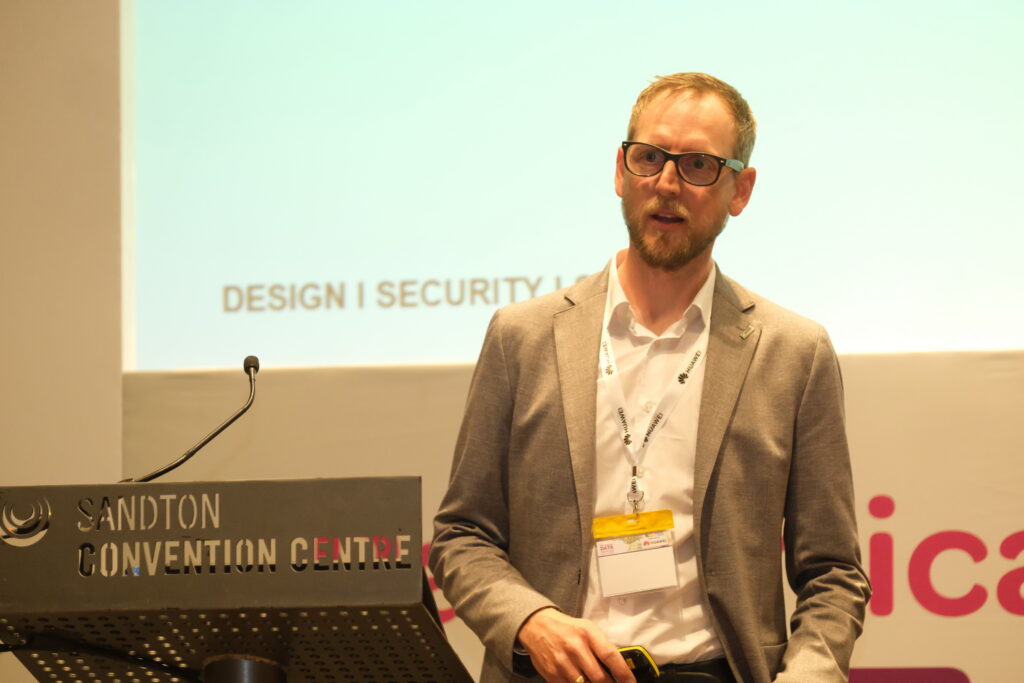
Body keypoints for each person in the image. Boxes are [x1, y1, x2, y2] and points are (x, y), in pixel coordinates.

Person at [430, 72, 870, 683]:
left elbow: (833, 573)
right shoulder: (523, 337)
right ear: (620, 170)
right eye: (649, 158)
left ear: (740, 190)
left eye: (698, 165)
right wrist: (529, 621)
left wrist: (807, 676)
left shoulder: (793, 352)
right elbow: (461, 535)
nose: (666, 183)